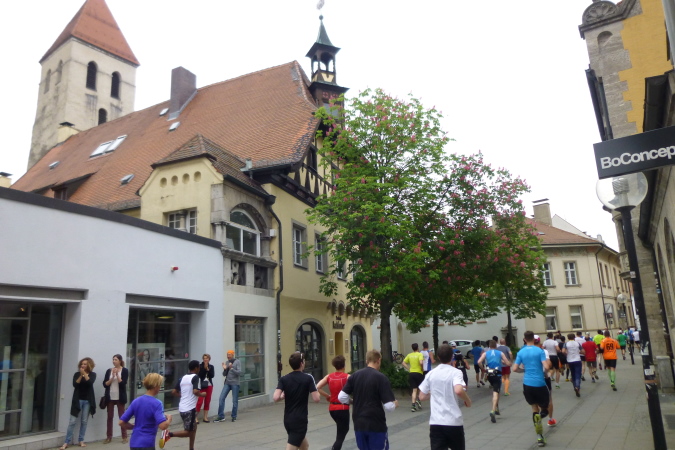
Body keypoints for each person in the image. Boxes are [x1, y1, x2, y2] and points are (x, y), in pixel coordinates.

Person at [338, 349, 398, 450]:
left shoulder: (355, 376)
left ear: (366, 361)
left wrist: (352, 401)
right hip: (376, 424)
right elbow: (389, 406)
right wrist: (395, 403)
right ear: (378, 360)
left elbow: (341, 397)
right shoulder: (381, 378)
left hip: (359, 423)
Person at [419, 344, 471, 450]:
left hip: (436, 422)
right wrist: (467, 400)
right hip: (453, 421)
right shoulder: (456, 372)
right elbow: (458, 390)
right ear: (452, 356)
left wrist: (434, 392)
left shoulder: (431, 374)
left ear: (438, 357)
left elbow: (422, 396)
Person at [273, 353, 321, 450]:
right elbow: (316, 399)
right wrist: (318, 392)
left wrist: (282, 397)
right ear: (301, 364)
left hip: (288, 419)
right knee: (292, 445)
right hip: (300, 419)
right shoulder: (308, 378)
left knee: (304, 446)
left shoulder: (284, 379)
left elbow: (276, 397)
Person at [512, 331, 551, 448]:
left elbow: (514, 369)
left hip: (527, 384)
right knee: (545, 407)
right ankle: (542, 415)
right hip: (540, 383)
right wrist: (544, 372)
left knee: (534, 408)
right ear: (534, 339)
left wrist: (524, 370)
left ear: (524, 339)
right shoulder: (539, 351)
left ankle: (539, 437)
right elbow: (546, 366)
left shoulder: (521, 352)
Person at [160, 360, 206, 450]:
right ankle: (168, 434)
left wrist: (183, 395)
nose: (199, 369)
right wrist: (202, 394)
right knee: (189, 432)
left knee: (194, 427)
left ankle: (191, 448)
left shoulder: (183, 378)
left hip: (182, 408)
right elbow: (195, 391)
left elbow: (174, 391)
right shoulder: (196, 377)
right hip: (190, 409)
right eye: (199, 367)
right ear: (196, 368)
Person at [120, 373, 172, 449]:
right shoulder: (157, 404)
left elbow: (121, 422)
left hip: (134, 443)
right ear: (155, 386)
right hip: (147, 443)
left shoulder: (136, 401)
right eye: (159, 385)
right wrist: (169, 419)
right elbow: (163, 426)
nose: (160, 387)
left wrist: (134, 427)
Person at [60, 357, 97, 450]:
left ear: (89, 365)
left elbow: (90, 382)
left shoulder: (93, 374)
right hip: (78, 400)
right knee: (72, 421)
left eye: (85, 364)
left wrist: (85, 374)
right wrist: (81, 375)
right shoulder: (77, 374)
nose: (83, 365)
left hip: (87, 400)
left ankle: (81, 440)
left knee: (84, 421)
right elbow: (75, 384)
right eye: (82, 364)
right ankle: (66, 442)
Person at [316, 355, 350, 450]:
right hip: (342, 408)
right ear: (344, 365)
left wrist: (327, 396)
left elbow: (317, 387)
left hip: (332, 408)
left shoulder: (329, 376)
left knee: (341, 429)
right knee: (341, 433)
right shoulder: (347, 377)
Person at [477, 340, 510, 423]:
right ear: (496, 346)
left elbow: (479, 362)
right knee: (496, 392)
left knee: (496, 391)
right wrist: (508, 363)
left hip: (489, 375)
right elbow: (507, 363)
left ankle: (496, 408)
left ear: (489, 346)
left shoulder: (485, 353)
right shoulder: (500, 353)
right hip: (497, 374)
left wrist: (483, 369)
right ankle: (493, 410)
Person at [103, 354, 129, 444]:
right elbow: (105, 384)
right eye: (113, 359)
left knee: (122, 417)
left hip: (120, 397)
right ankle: (109, 437)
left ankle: (124, 437)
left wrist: (117, 375)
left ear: (120, 361)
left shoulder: (124, 370)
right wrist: (112, 377)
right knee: (110, 417)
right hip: (110, 396)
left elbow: (123, 384)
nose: (114, 361)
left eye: (116, 360)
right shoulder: (109, 371)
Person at [214, 350, 241, 422]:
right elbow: (224, 374)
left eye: (229, 354)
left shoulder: (237, 362)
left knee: (234, 401)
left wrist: (232, 368)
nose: (228, 356)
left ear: (232, 355)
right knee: (221, 398)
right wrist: (225, 369)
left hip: (235, 383)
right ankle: (221, 416)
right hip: (227, 383)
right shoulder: (227, 362)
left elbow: (239, 372)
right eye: (227, 354)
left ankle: (234, 416)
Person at [402, 343, 424, 412]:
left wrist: (409, 368)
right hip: (419, 373)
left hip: (412, 373)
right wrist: (422, 368)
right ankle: (419, 400)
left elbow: (403, 363)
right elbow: (421, 362)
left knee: (414, 390)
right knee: (420, 388)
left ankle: (413, 406)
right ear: (418, 347)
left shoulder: (409, 355)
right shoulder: (420, 354)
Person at [562, 333, 584, 397]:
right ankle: (577, 387)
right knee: (578, 375)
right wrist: (579, 352)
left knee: (573, 374)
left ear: (568, 338)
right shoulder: (577, 343)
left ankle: (575, 386)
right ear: (574, 337)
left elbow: (563, 351)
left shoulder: (566, 344)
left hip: (570, 360)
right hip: (577, 360)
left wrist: (566, 354)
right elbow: (583, 351)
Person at [195, 354, 214, 423]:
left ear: (209, 359)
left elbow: (212, 375)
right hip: (202, 385)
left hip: (209, 385)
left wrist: (208, 370)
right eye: (204, 358)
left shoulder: (211, 366)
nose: (206, 359)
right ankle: (195, 417)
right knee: (200, 401)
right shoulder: (200, 366)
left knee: (207, 401)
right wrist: (204, 369)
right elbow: (199, 375)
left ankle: (205, 417)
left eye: (207, 358)